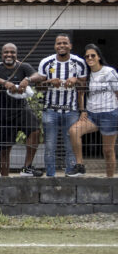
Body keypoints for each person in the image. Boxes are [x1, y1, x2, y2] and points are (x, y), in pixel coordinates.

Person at [0, 43, 42, 177]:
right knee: (4, 149)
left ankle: (27, 167)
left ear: (16, 54)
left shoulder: (24, 66)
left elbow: (39, 76)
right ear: (2, 54)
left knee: (35, 130)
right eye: (6, 52)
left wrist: (28, 79)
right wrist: (5, 83)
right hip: (2, 113)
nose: (9, 55)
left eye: (12, 52)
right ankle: (4, 179)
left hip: (21, 109)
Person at [38, 33, 87, 177]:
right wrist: (49, 82)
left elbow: (83, 88)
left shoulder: (79, 63)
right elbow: (39, 87)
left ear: (70, 45)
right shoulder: (46, 62)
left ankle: (69, 176)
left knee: (71, 146)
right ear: (55, 46)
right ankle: (51, 177)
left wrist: (76, 80)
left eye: (65, 43)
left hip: (71, 111)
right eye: (59, 43)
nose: (62, 46)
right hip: (50, 110)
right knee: (49, 147)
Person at [70, 44, 118, 177]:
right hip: (92, 115)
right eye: (87, 56)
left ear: (98, 57)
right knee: (74, 131)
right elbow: (81, 93)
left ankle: (110, 180)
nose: (90, 58)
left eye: (93, 55)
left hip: (109, 115)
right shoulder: (87, 75)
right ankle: (80, 166)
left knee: (108, 151)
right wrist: (83, 110)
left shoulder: (109, 72)